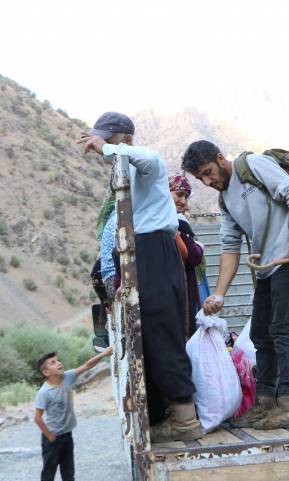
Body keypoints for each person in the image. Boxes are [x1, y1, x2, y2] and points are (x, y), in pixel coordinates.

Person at [78, 111, 205, 442]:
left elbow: (146, 156)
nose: (101, 147)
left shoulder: (148, 162)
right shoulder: (127, 172)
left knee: (161, 329)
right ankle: (165, 414)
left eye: (108, 140)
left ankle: (185, 418)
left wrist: (106, 149)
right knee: (144, 332)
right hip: (140, 252)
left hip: (155, 251)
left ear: (126, 140)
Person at [181, 140, 289, 429]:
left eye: (208, 172)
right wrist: (218, 294)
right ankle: (266, 404)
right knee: (260, 335)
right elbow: (230, 245)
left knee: (282, 330)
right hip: (267, 268)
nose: (208, 181)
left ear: (219, 158)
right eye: (201, 177)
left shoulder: (253, 165)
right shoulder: (225, 199)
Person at [33, 348, 112, 481]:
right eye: (53, 363)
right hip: (52, 440)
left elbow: (87, 365)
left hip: (67, 436)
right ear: (46, 372)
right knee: (48, 475)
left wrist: (105, 353)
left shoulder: (67, 377)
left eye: (58, 360)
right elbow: (37, 418)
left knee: (69, 475)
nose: (58, 363)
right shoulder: (44, 393)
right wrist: (50, 436)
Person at [169, 174, 205, 338]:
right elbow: (194, 257)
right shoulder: (177, 222)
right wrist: (198, 246)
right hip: (180, 293)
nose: (183, 201)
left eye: (186, 197)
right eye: (179, 194)